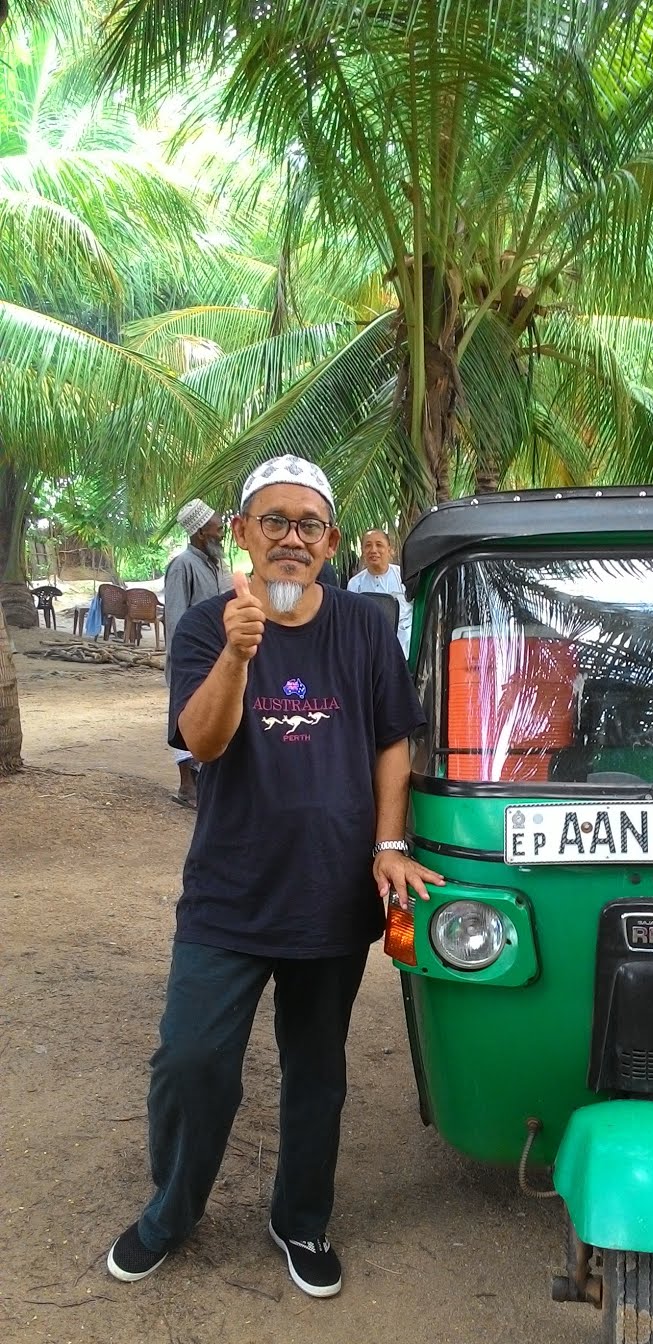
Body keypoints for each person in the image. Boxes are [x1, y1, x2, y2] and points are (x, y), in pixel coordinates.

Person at [107, 455, 444, 1298]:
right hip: (229, 890)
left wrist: (388, 843)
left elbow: (392, 742)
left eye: (307, 525)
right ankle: (172, 1210)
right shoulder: (205, 627)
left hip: (330, 894)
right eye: (273, 522)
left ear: (330, 541)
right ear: (243, 534)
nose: (291, 539)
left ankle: (301, 1218)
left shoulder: (367, 628)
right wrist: (237, 654)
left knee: (316, 1071)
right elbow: (204, 741)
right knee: (191, 1059)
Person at [164, 499, 228, 808]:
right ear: (202, 531)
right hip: (192, 659)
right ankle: (186, 786)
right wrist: (184, 661)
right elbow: (176, 618)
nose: (223, 532)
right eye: (218, 527)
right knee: (185, 716)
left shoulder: (217, 564)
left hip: (220, 657)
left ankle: (205, 786)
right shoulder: (182, 566)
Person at [347, 528, 413, 655]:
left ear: (390, 550)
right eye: (368, 546)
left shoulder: (405, 578)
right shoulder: (355, 584)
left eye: (379, 545)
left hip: (403, 650)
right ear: (362, 551)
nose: (373, 550)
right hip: (368, 651)